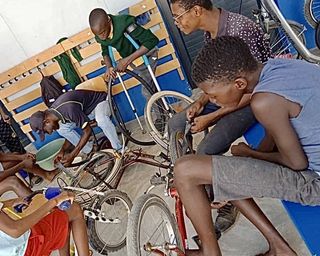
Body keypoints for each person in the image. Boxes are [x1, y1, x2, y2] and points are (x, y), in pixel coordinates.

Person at [174, 36, 320, 256]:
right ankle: (280, 249)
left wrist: (249, 153)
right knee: (227, 170)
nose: (212, 101)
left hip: (314, 181)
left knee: (185, 170)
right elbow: (277, 126)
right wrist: (254, 156)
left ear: (240, 84)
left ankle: (210, 252)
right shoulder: (280, 66)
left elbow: (297, 163)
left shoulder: (263, 100)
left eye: (213, 96)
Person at [169, 0, 270, 236]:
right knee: (176, 123)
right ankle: (200, 187)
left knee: (207, 150)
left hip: (252, 99)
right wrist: (200, 103)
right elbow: (217, 82)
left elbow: (250, 87)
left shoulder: (239, 30)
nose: (177, 23)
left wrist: (212, 116)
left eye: (178, 17)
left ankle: (225, 204)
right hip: (227, 96)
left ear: (196, 10)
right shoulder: (211, 33)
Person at [29, 90, 122, 166]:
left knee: (101, 120)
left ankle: (119, 150)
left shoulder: (68, 109)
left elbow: (87, 130)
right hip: (86, 112)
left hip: (100, 102)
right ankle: (90, 150)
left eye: (45, 131)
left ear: (47, 122)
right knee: (62, 129)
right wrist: (62, 151)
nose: (49, 133)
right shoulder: (55, 113)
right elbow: (70, 137)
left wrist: (73, 154)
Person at [89, 8, 159, 99]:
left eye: (102, 32)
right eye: (97, 34)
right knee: (151, 89)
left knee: (147, 91)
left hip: (148, 55)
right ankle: (164, 110)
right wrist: (109, 66)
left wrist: (126, 61)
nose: (101, 37)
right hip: (136, 62)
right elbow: (105, 50)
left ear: (109, 21)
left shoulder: (125, 23)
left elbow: (151, 40)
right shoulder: (101, 34)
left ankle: (157, 113)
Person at [0, 185, 91, 256]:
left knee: (60, 221)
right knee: (74, 210)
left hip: (12, 250)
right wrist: (55, 201)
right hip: (25, 248)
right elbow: (15, 230)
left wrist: (10, 203)